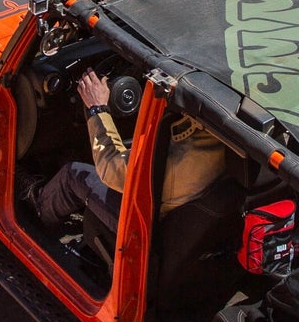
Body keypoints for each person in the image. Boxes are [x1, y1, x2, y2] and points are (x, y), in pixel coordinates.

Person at [28, 68, 226, 230]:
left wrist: (97, 108)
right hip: (183, 207)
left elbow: (110, 167)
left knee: (72, 175)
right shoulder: (217, 133)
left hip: (142, 223)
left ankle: (38, 212)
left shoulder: (180, 161)